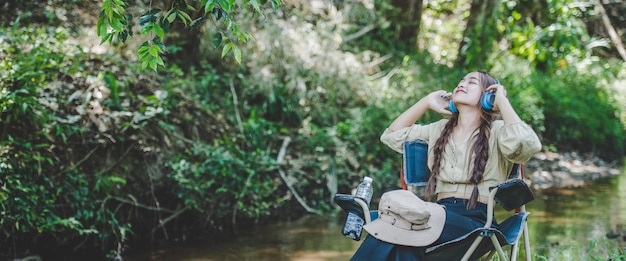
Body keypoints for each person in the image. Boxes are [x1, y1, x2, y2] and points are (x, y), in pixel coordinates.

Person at [350, 71, 542, 260]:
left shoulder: (500, 131)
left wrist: (501, 101)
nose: (462, 84)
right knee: (401, 237)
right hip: (436, 214)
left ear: (487, 96)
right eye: (461, 80)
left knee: (394, 225)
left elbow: (526, 145)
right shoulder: (439, 129)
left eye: (472, 82)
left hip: (476, 221)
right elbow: (391, 136)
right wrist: (425, 102)